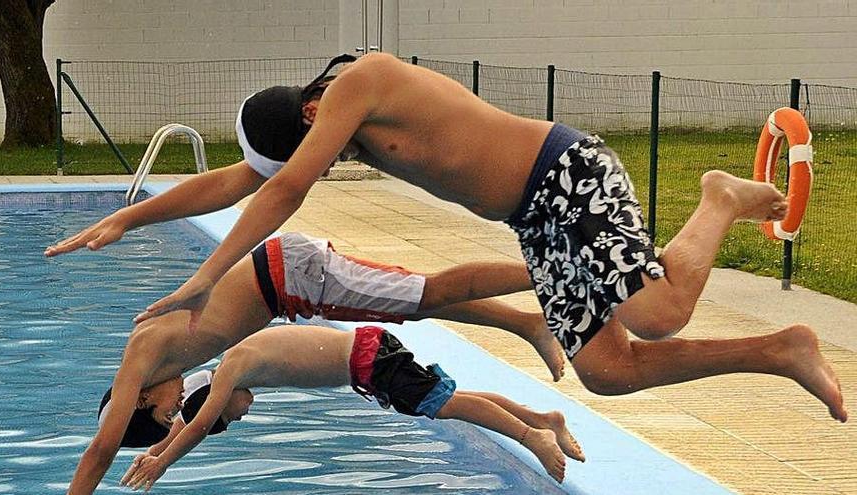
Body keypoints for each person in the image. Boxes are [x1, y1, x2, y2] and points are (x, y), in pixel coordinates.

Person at [127, 52, 845, 424]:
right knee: (607, 368)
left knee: (656, 315)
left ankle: (717, 197)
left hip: (566, 171)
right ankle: (782, 348)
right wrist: (125, 217)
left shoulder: (360, 84)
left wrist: (203, 277)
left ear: (313, 109)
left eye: (312, 147)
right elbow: (245, 180)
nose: (322, 159)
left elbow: (283, 189)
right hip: (534, 216)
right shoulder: (339, 126)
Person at [63, 232, 565, 494]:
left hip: (291, 273)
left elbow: (102, 447)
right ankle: (526, 325)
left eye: (164, 412)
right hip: (292, 287)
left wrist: (156, 459)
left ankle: (551, 271)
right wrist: (162, 445)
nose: (174, 409)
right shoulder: (170, 364)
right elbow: (198, 410)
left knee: (425, 292)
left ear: (143, 401)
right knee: (422, 300)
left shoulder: (140, 358)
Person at [116, 324, 585, 491]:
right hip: (368, 359)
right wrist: (159, 444)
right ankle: (543, 418)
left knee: (446, 406)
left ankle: (532, 437)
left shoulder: (234, 369)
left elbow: (196, 423)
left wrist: (161, 463)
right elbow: (189, 418)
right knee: (449, 399)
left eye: (231, 417)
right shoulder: (228, 373)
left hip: (368, 361)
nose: (241, 414)